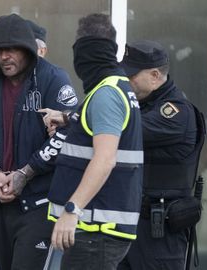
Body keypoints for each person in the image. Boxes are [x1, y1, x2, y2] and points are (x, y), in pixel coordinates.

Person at [0, 14, 78, 270]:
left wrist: (25, 172)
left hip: (38, 204)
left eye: (12, 49)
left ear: (28, 49)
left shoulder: (53, 79)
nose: (4, 56)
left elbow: (68, 134)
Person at [39, 13, 143, 270]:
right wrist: (65, 117)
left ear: (86, 51)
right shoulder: (114, 86)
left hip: (95, 231)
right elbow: (94, 121)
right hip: (95, 231)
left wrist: (72, 210)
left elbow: (105, 159)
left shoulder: (106, 94)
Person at [117, 40, 205, 270]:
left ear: (155, 75)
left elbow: (122, 126)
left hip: (160, 236)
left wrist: (71, 118)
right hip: (132, 226)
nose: (126, 80)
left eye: (132, 75)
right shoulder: (143, 105)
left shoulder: (176, 113)